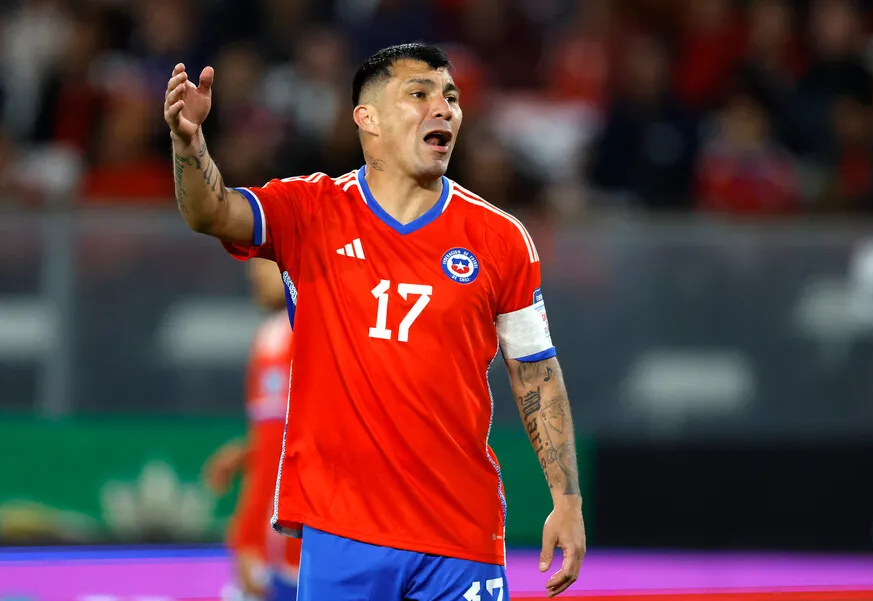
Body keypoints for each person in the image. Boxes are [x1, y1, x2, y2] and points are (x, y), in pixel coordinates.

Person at [164, 42, 585, 599]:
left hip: (461, 532)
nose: (445, 109)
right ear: (368, 118)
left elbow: (535, 372)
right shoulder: (311, 211)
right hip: (343, 527)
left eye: (452, 98)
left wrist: (567, 500)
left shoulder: (501, 239)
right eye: (420, 94)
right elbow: (209, 212)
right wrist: (188, 141)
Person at [203, 258, 300, 601]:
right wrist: (249, 453)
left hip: (301, 542)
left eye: (265, 260)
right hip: (270, 543)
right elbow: (279, 443)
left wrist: (249, 540)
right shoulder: (268, 338)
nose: (253, 271)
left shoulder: (317, 336)